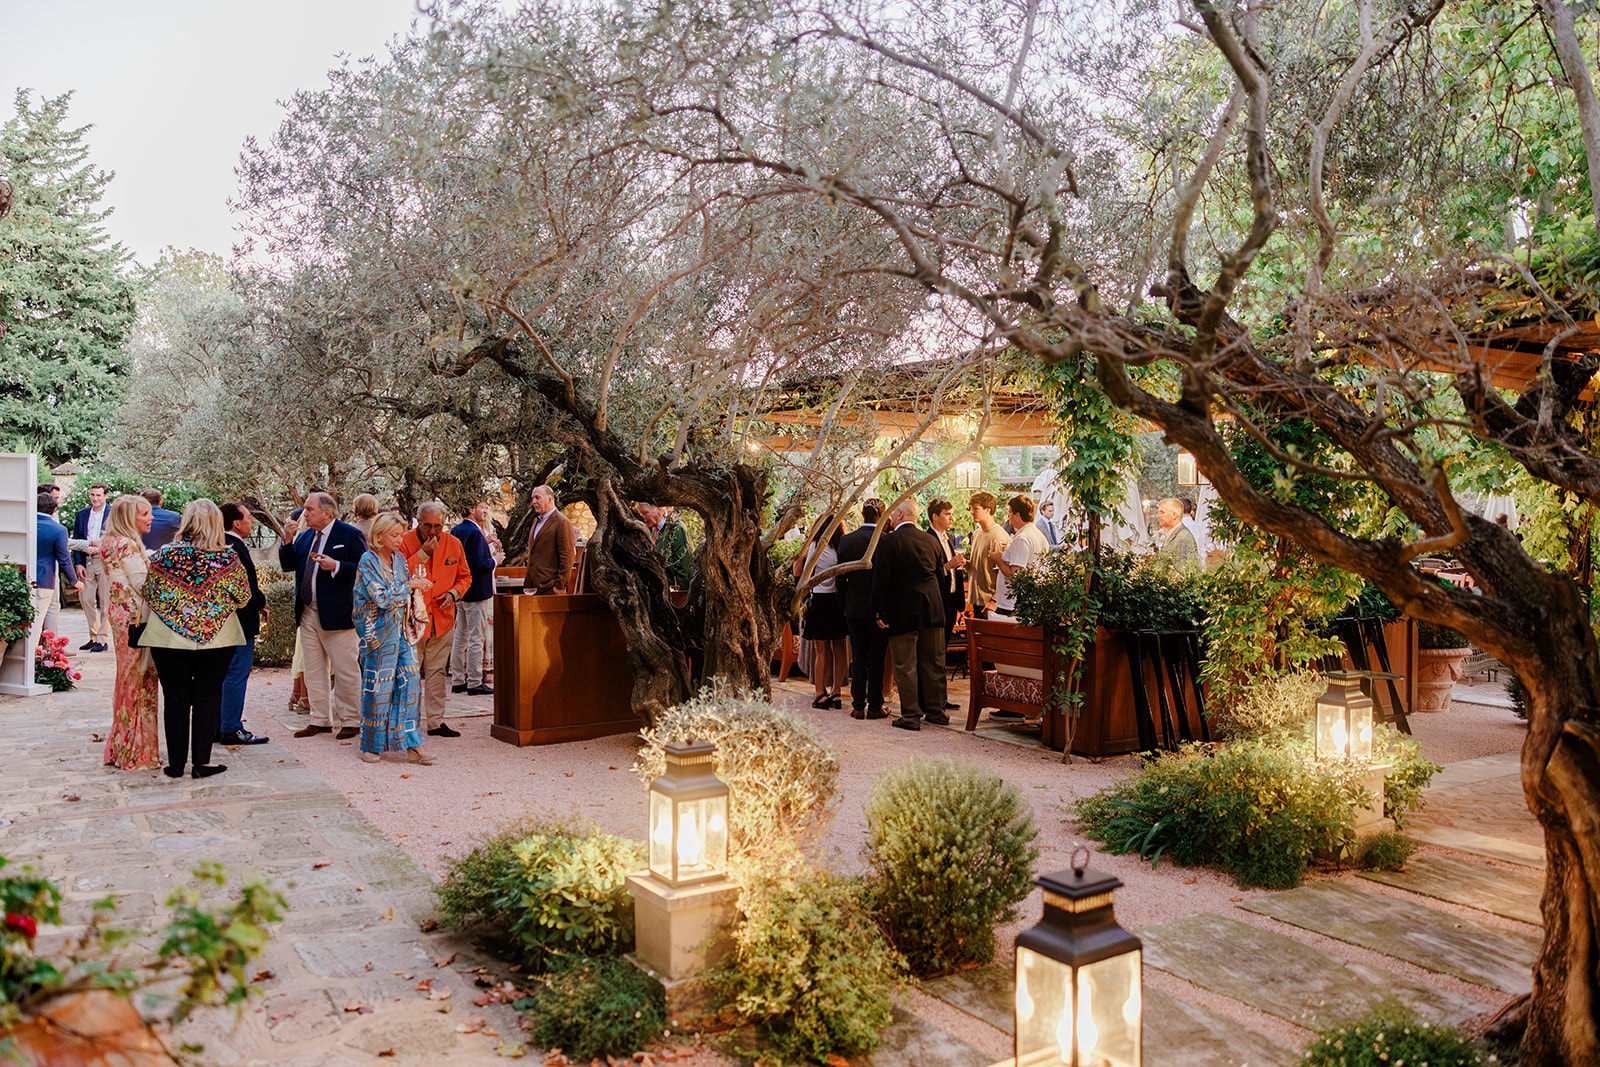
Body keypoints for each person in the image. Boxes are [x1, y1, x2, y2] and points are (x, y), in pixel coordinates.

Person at [142, 500, 251, 779]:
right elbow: (243, 598)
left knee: (176, 698)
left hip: (168, 638)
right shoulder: (227, 558)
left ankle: (176, 765)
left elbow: (149, 593)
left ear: (186, 522)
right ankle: (201, 763)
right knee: (208, 696)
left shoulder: (163, 555)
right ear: (216, 523)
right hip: (217, 638)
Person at [279, 491, 367, 740]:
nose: (304, 513)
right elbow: (289, 565)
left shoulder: (349, 535)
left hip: (338, 614)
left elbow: (364, 568)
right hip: (308, 612)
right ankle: (320, 720)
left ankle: (351, 719)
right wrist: (287, 541)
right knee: (313, 669)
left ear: (328, 512)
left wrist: (336, 566)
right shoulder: (306, 537)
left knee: (346, 668)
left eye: (310, 509)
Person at [352, 513, 436, 764]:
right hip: (376, 635)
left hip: (400, 631)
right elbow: (381, 598)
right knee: (379, 687)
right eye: (394, 535)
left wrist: (413, 588)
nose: (400, 540)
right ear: (379, 537)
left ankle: (413, 744)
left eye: (401, 534)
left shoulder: (400, 560)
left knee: (411, 683)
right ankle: (371, 745)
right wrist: (411, 585)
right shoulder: (367, 561)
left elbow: (400, 595)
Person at [871, 499, 948, 731]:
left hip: (902, 610)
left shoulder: (889, 541)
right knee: (933, 663)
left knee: (906, 664)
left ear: (900, 514)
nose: (891, 517)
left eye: (894, 514)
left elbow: (881, 579)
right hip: (932, 609)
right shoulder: (931, 541)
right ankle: (936, 711)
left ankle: (911, 715)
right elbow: (940, 576)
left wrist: (878, 610)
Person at [98, 494, 160, 770]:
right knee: (141, 680)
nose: (151, 518)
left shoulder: (109, 543)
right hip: (136, 621)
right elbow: (143, 585)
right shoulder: (128, 545)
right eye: (145, 514)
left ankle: (121, 746)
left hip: (119, 618)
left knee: (125, 680)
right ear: (128, 518)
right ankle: (139, 752)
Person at [402, 502, 472, 737]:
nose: (433, 532)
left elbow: (465, 577)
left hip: (443, 620)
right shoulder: (403, 542)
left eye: (438, 526)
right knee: (410, 674)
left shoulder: (454, 544)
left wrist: (453, 594)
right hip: (413, 622)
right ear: (418, 522)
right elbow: (399, 574)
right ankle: (408, 723)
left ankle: (435, 723)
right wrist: (423, 553)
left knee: (436, 673)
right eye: (428, 526)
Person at [217, 502, 270, 747]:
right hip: (239, 621)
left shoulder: (219, 544)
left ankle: (218, 724)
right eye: (248, 517)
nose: (252, 522)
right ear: (236, 523)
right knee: (236, 673)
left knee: (223, 674)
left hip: (222, 622)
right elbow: (246, 586)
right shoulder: (233, 547)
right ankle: (230, 727)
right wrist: (262, 602)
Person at [836, 499, 887, 719]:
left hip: (854, 607)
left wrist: (844, 605)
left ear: (863, 514)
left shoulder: (847, 541)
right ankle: (875, 705)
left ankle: (857, 705)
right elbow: (887, 579)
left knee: (857, 655)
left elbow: (840, 578)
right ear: (882, 516)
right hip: (879, 610)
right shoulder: (885, 541)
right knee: (877, 657)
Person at [795, 514, 849, 709]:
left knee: (821, 651)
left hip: (819, 599)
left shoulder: (816, 546)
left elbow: (798, 572)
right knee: (839, 647)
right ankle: (836, 692)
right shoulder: (842, 546)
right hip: (838, 600)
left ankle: (819, 693)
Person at [450, 499, 497, 696]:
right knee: (476, 637)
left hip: (460, 591)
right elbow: (478, 564)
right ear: (471, 509)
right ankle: (475, 681)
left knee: (460, 636)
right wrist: (495, 560)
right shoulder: (475, 532)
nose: (485, 511)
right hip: (476, 590)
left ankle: (458, 679)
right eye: (481, 507)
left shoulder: (456, 530)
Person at [926, 499, 966, 710]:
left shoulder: (948, 537)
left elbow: (952, 571)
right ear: (935, 516)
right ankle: (935, 699)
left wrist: (957, 566)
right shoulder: (927, 538)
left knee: (942, 649)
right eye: (947, 514)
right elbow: (928, 572)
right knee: (935, 652)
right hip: (937, 600)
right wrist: (948, 566)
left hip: (950, 601)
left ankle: (941, 697)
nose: (952, 518)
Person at [991, 495, 1049, 616]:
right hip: (1030, 599)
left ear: (1018, 515)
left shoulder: (1022, 539)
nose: (1008, 516)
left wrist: (997, 559)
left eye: (1010, 512)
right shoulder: (1039, 536)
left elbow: (1016, 575)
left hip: (1012, 604)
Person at [72, 483, 113, 652]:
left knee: (105, 601)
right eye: (92, 495)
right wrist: (78, 563)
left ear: (106, 495)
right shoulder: (81, 514)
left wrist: (101, 548)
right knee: (86, 599)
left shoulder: (113, 514)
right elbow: (76, 538)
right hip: (86, 560)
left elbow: (117, 537)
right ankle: (93, 635)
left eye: (98, 495)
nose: (95, 498)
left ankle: (102, 640)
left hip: (105, 560)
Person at [34, 493, 80, 643]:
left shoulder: (25, 523)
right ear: (54, 510)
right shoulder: (58, 529)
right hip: (44, 579)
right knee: (37, 619)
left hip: (21, 577)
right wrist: (74, 581)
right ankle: (32, 658)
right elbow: (64, 559)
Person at [523, 485, 576, 596]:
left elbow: (567, 556)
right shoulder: (535, 521)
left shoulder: (562, 523)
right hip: (532, 588)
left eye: (537, 498)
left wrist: (559, 586)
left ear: (550, 499)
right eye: (533, 498)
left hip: (550, 588)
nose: (534, 502)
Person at [966, 492, 1009, 618]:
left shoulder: (998, 537)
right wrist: (965, 564)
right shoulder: (977, 533)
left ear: (987, 510)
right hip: (977, 600)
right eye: (971, 508)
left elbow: (1006, 575)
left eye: (975, 508)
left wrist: (994, 600)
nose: (971, 511)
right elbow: (979, 567)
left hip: (990, 603)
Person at [637, 501, 692, 589]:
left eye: (645, 513)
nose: (643, 517)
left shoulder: (676, 529)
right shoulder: (654, 530)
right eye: (641, 514)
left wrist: (681, 595)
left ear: (659, 508)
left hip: (674, 593)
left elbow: (684, 566)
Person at [1154, 497, 1201, 575]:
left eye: (1162, 512)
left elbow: (1182, 574)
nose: (1159, 516)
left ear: (1174, 515)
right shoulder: (1174, 534)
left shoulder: (1182, 538)